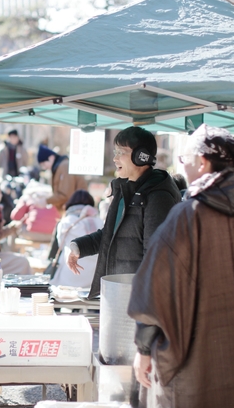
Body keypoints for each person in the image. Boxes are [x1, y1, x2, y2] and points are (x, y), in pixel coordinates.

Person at [127, 124, 234, 408]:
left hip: (192, 366)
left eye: (184, 161)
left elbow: (156, 290)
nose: (183, 168)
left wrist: (144, 349)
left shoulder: (187, 216)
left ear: (202, 162)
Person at [66, 127, 181, 299]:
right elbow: (109, 234)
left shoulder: (159, 197)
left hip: (140, 298)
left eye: (121, 152)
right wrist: (79, 247)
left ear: (141, 156)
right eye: (115, 151)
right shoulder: (124, 190)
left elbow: (156, 257)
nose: (115, 158)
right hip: (119, 290)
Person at [49, 190, 102, 288]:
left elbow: (61, 244)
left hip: (69, 278)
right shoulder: (99, 222)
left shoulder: (66, 222)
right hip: (94, 280)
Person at [37, 144, 88, 211]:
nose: (44, 167)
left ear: (51, 157)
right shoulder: (60, 166)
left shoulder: (64, 167)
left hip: (77, 209)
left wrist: (47, 200)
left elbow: (65, 194)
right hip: (76, 208)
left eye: (44, 164)